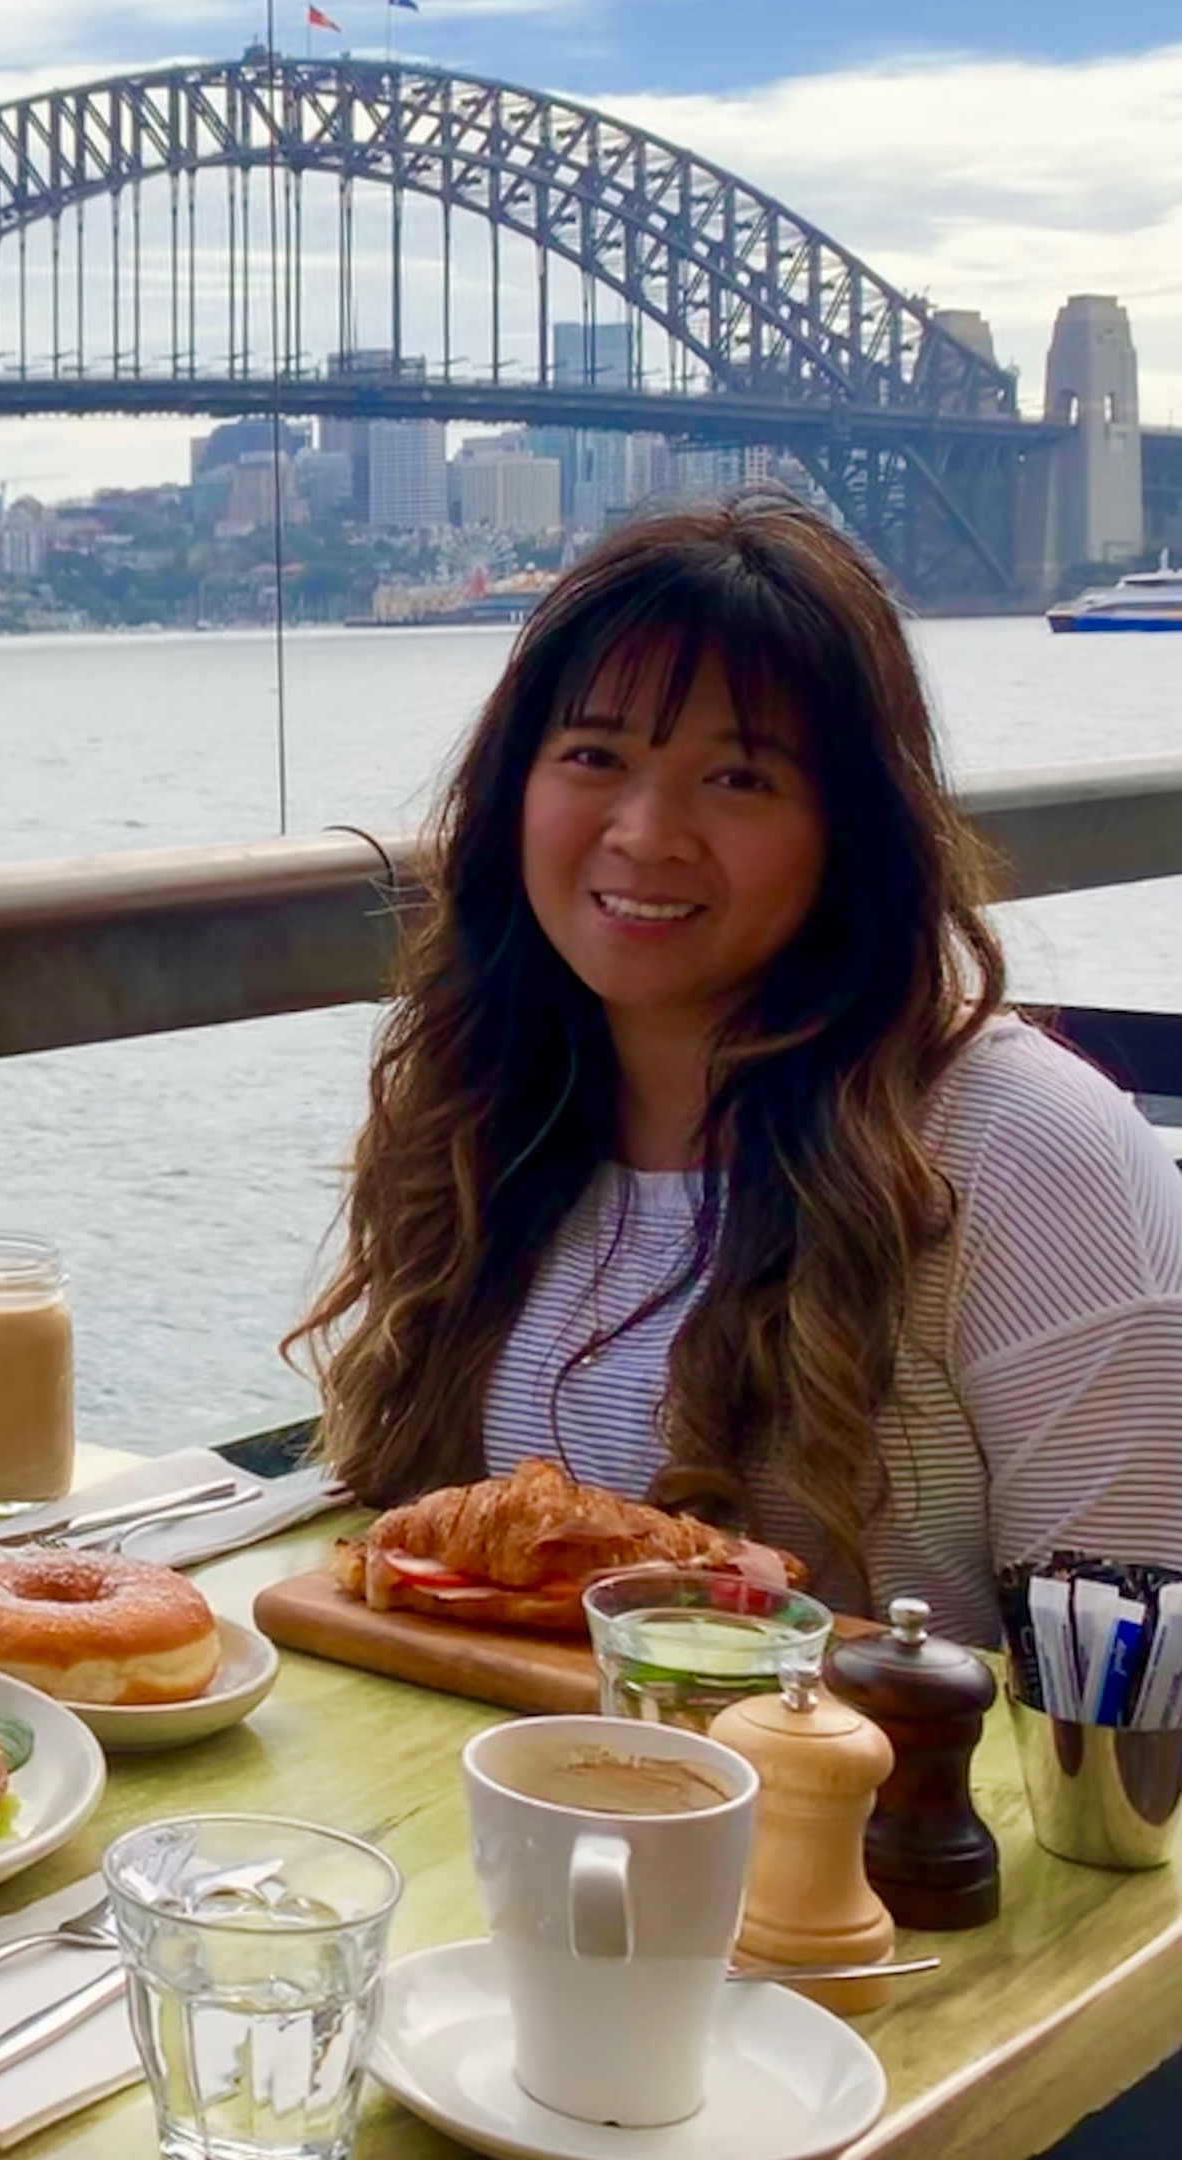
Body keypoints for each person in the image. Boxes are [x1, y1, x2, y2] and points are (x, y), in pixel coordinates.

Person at [287, 489, 1182, 1647]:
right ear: (513, 795)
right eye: (594, 755)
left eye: (740, 779)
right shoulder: (484, 1114)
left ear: (851, 832)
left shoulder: (1026, 1158)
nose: (645, 833)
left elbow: (1134, 1699)